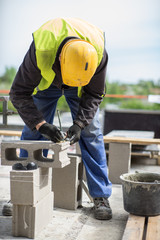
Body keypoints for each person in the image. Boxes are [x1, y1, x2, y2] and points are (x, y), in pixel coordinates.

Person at [10, 17, 112, 220]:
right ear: (58, 60)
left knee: (91, 132)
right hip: (49, 79)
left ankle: (100, 196)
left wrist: (80, 124)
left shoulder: (98, 55)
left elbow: (94, 95)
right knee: (32, 132)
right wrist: (41, 124)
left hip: (82, 81)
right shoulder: (41, 51)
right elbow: (19, 93)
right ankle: (23, 190)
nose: (66, 88)